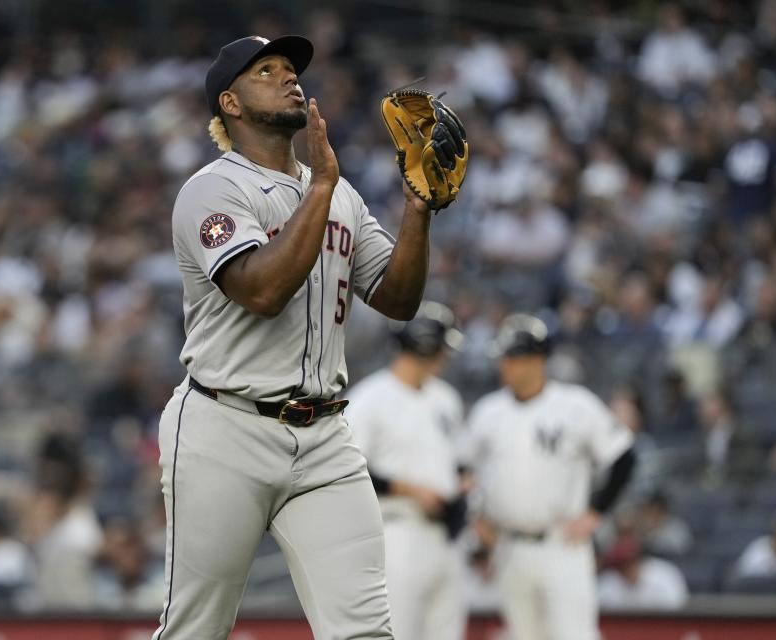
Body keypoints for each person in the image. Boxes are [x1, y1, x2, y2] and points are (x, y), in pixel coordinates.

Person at [154, 34, 452, 640]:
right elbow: (262, 293)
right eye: (267, 70)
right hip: (224, 427)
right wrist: (319, 186)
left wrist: (417, 211)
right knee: (198, 629)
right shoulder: (213, 190)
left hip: (324, 440)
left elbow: (397, 300)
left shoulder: (338, 192)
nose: (289, 77)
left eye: (291, 68)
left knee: (365, 631)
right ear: (230, 105)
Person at [468, 313, 637, 640]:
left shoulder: (575, 405)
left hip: (562, 543)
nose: (506, 365)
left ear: (540, 359)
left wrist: (596, 513)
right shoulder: (487, 412)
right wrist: (477, 516)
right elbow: (464, 472)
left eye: (515, 357)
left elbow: (624, 456)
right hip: (509, 546)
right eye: (504, 357)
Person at [345, 301, 468, 640]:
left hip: (446, 536)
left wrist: (463, 486)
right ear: (424, 345)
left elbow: (459, 464)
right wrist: (408, 490)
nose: (445, 355)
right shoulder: (370, 398)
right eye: (441, 347)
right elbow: (347, 472)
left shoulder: (446, 399)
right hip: (396, 532)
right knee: (397, 633)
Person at [597, 535, 688, 610]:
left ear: (638, 561)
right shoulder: (609, 581)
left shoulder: (664, 575)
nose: (625, 570)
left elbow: (678, 611)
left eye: (629, 565)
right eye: (621, 567)